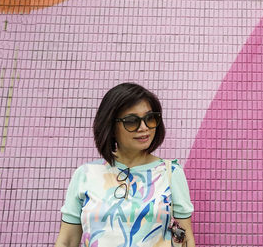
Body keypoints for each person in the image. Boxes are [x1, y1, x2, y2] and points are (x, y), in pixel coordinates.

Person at [55, 82, 195, 247]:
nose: (144, 128)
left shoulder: (170, 172)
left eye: (150, 118)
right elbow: (67, 241)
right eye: (131, 121)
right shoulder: (85, 175)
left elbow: (186, 240)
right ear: (111, 126)